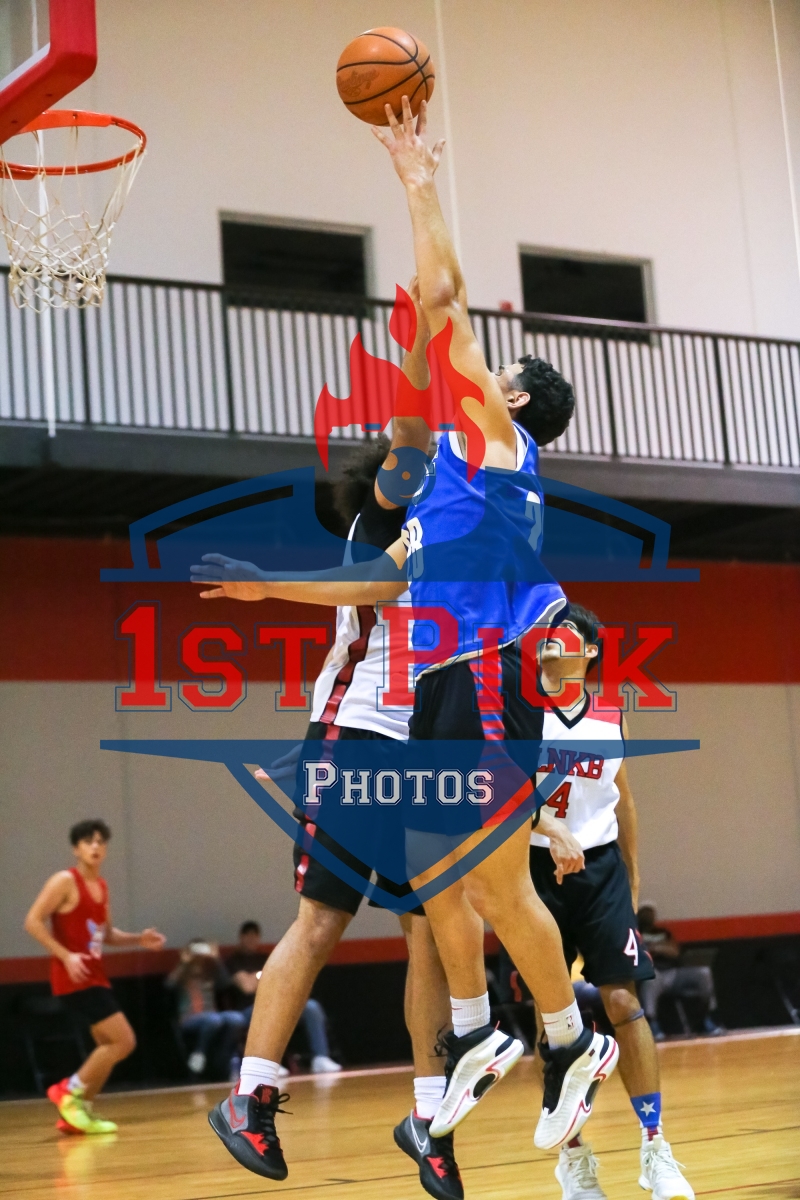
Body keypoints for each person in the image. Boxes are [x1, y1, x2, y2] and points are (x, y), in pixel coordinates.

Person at [195, 98, 618, 1154]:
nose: (481, 371)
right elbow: (378, 576)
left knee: (485, 885)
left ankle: (564, 1041)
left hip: (487, 672)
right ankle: (500, 1037)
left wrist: (417, 182)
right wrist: (265, 591)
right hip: (450, 680)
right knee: (462, 881)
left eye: (494, 375)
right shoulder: (449, 493)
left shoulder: (499, 446)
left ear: (510, 402)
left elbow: (442, 298)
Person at [200, 283, 467, 1200]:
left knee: (429, 929)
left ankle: (430, 1117)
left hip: (416, 752)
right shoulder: (392, 513)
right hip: (354, 735)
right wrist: (425, 343)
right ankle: (250, 1095)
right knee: (321, 921)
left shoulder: (456, 533)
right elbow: (412, 433)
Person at [527, 604, 695, 1200]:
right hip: (533, 869)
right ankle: (573, 1157)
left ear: (591, 651)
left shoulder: (607, 715)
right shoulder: (519, 711)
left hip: (599, 871)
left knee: (623, 999)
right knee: (554, 1013)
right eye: (546, 633)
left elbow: (623, 798)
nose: (552, 639)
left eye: (566, 633)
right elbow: (500, 789)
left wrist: (633, 872)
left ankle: (655, 1148)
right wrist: (549, 831)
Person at [23, 818, 165, 1134]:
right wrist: (66, 955)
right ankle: (68, 1090)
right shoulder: (64, 881)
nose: (96, 846)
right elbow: (32, 921)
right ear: (76, 849)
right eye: (88, 841)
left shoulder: (101, 886)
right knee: (123, 1041)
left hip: (95, 976)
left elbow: (107, 934)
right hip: (74, 978)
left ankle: (77, 1113)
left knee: (107, 1046)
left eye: (101, 841)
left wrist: (139, 939)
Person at [225, 920, 341, 1074]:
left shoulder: (266, 958)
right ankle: (270, 1063)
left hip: (277, 1004)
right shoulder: (233, 961)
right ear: (241, 937)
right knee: (269, 1011)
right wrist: (264, 976)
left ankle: (320, 1057)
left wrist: (256, 977)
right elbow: (247, 987)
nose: (252, 939)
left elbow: (281, 982)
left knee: (311, 1007)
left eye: (255, 936)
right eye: (248, 936)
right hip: (248, 1010)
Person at [638, 904, 724, 1042]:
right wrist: (660, 948)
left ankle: (709, 1018)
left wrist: (655, 948)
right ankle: (653, 1024)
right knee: (650, 978)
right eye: (645, 912)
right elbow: (640, 953)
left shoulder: (663, 932)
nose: (649, 916)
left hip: (673, 973)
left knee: (704, 973)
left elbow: (674, 951)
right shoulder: (636, 933)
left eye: (651, 913)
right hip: (654, 973)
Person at [166, 939, 247, 1079]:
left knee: (237, 1018)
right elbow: (169, 985)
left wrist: (216, 959)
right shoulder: (183, 973)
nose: (199, 958)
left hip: (212, 1016)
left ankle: (226, 1059)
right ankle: (199, 1053)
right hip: (189, 1018)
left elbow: (226, 983)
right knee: (214, 1019)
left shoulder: (210, 971)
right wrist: (184, 962)